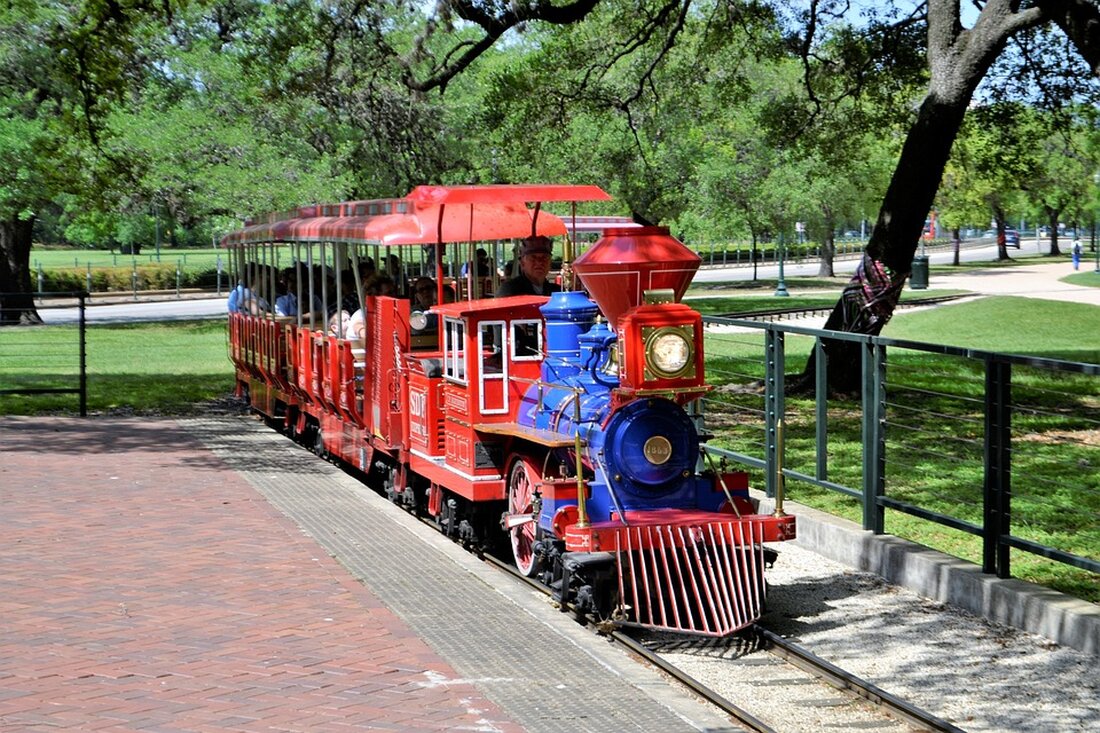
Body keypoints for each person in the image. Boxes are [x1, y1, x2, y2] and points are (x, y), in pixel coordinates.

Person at [495, 236, 560, 297]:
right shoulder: (509, 290)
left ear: (550, 263)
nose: (539, 262)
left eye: (544, 257)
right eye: (533, 257)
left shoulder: (557, 292)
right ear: (522, 263)